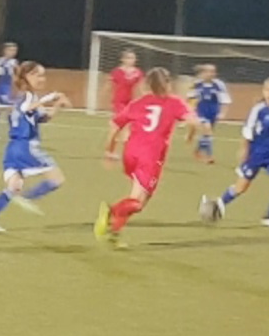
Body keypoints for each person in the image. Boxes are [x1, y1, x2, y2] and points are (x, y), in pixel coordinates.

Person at [94, 67, 200, 248]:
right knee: (137, 203)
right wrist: (190, 136)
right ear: (167, 83)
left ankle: (115, 232)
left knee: (142, 197)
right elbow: (194, 121)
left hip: (131, 153)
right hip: (150, 156)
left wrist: (109, 151)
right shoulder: (174, 102)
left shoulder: (139, 102)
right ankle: (110, 212)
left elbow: (114, 125)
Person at [200, 77, 269, 229]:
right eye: (266, 90)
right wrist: (244, 150)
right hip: (255, 155)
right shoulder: (259, 110)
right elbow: (247, 130)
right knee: (241, 188)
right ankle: (218, 203)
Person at [0, 61, 70, 233]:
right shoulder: (27, 96)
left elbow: (43, 118)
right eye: (38, 75)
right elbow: (27, 107)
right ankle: (27, 198)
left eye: (43, 75)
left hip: (13, 149)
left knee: (14, 186)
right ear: (27, 76)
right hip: (26, 146)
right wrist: (49, 98)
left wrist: (57, 105)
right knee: (57, 179)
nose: (42, 79)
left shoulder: (28, 97)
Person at [186, 64, 230, 164]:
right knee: (207, 130)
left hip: (213, 113)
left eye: (212, 71)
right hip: (201, 112)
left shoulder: (219, 85)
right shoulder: (197, 84)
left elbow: (225, 100)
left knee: (207, 135)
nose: (210, 74)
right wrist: (189, 111)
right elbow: (189, 98)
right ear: (203, 73)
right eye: (208, 71)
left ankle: (197, 151)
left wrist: (222, 113)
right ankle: (209, 156)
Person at [106, 50, 144, 114]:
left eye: (133, 58)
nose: (131, 60)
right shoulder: (116, 72)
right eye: (128, 58)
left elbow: (140, 87)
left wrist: (142, 99)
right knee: (122, 118)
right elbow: (109, 87)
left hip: (132, 100)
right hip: (119, 101)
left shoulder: (138, 72)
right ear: (123, 59)